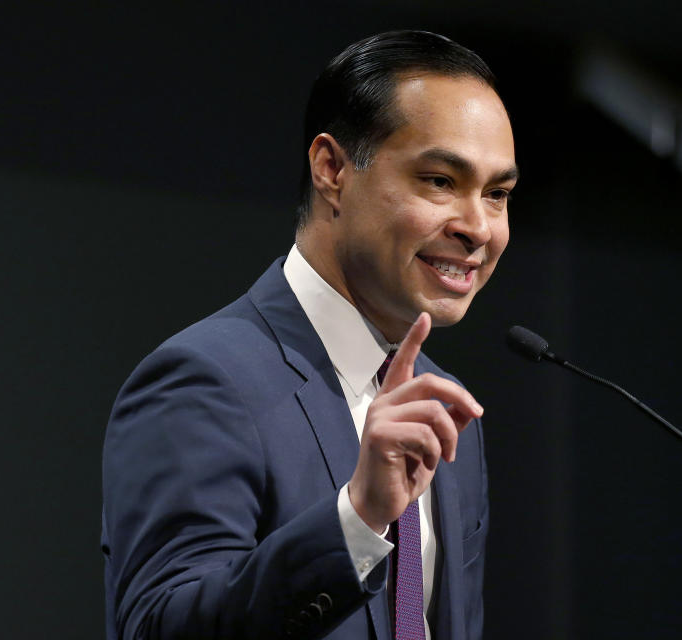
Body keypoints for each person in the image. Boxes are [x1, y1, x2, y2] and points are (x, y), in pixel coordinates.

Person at [101, 30, 517, 640]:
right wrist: (359, 518)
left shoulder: (443, 406)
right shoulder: (205, 380)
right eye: (438, 181)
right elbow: (158, 629)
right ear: (331, 170)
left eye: (498, 194)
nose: (478, 227)